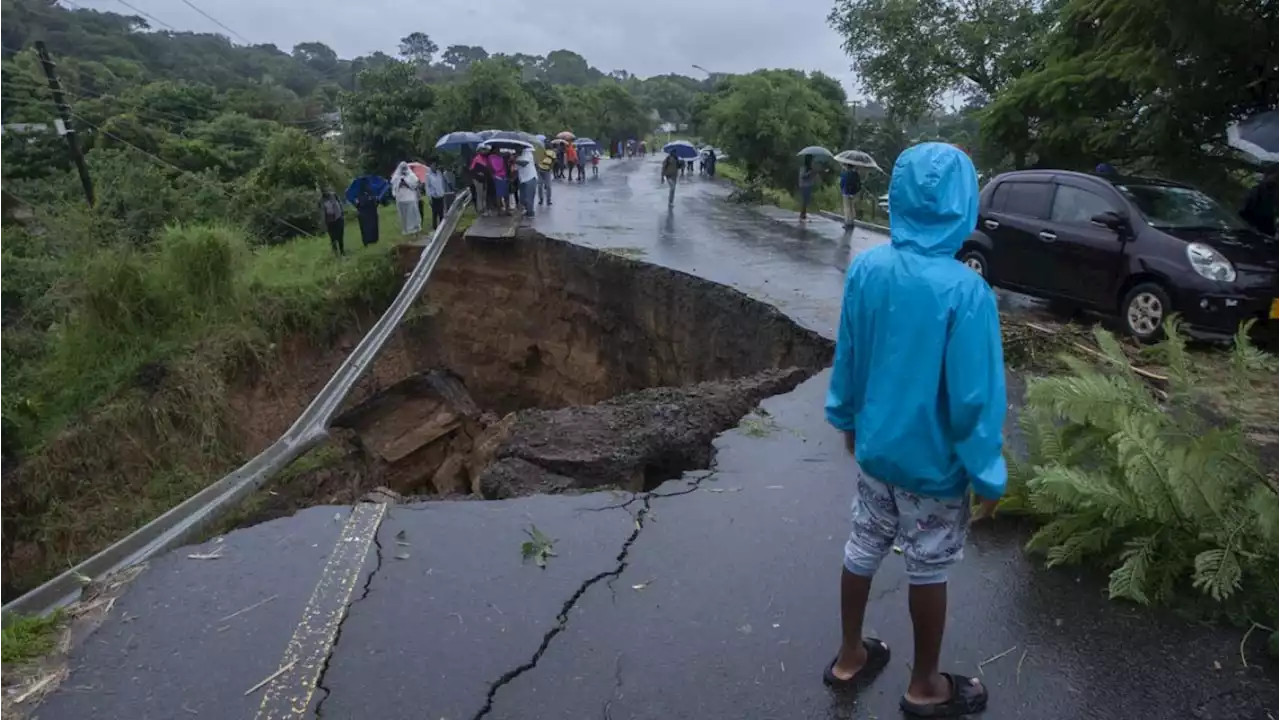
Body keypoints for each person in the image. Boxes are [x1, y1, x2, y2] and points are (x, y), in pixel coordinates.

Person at [823, 142, 1003, 718]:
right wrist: (987, 472)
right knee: (927, 563)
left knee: (863, 544)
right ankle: (925, 685)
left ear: (897, 194)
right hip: (935, 465)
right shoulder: (966, 290)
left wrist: (847, 419)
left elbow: (850, 354)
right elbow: (974, 397)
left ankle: (850, 655)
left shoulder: (868, 269)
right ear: (963, 201)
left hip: (877, 452)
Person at [1240, 167, 1279, 237]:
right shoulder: (1255, 191)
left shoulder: (1274, 192)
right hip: (1249, 226)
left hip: (1264, 229)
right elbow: (1244, 211)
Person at [391, 162, 422, 235]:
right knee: (403, 215)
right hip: (401, 199)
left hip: (410, 198)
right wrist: (400, 184)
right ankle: (405, 229)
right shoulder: (396, 177)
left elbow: (415, 185)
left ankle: (414, 228)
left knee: (412, 214)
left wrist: (407, 184)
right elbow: (394, 188)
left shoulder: (411, 176)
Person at [354, 177, 380, 247]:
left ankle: (373, 240)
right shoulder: (359, 194)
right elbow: (357, 205)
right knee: (365, 228)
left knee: (372, 227)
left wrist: (375, 200)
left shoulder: (371, 192)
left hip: (371, 212)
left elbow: (376, 202)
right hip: (364, 213)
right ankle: (366, 241)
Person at [319, 190, 345, 256]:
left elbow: (340, 203)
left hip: (338, 218)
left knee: (340, 236)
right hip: (329, 221)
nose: (325, 192)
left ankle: (342, 251)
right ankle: (335, 253)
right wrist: (323, 223)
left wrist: (342, 213)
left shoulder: (334, 195)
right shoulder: (321, 200)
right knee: (333, 238)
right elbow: (322, 212)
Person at [516, 146, 538, 218]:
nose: (516, 149)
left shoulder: (527, 152)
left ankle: (530, 213)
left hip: (530, 177)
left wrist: (514, 160)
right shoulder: (516, 155)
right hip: (522, 179)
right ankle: (527, 210)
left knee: (529, 197)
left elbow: (524, 163)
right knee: (522, 198)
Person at [425, 162, 448, 230]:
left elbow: (442, 183)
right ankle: (434, 226)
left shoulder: (439, 173)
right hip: (433, 195)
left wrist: (443, 191)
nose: (434, 167)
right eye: (433, 165)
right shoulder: (428, 175)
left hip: (440, 194)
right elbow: (427, 187)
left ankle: (441, 225)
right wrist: (429, 196)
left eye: (435, 165)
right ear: (430, 166)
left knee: (441, 211)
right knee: (435, 212)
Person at [469, 148, 491, 215]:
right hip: (477, 179)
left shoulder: (485, 158)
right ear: (478, 151)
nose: (484, 151)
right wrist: (477, 173)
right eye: (483, 150)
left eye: (485, 150)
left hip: (484, 178)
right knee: (479, 194)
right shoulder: (476, 158)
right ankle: (480, 209)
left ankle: (484, 208)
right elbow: (471, 169)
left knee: (484, 194)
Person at [839, 164, 862, 228]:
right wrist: (857, 191)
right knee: (852, 208)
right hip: (853, 193)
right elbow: (859, 184)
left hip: (846, 192)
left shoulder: (844, 174)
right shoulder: (856, 174)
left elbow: (841, 183)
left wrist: (842, 190)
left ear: (847, 167)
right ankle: (852, 222)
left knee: (847, 208)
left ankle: (847, 223)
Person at [488, 147, 509, 215]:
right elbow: (496, 168)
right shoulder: (493, 157)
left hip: (501, 177)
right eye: (497, 150)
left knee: (502, 194)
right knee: (501, 195)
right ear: (494, 150)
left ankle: (503, 210)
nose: (499, 151)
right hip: (499, 177)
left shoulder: (494, 157)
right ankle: (501, 211)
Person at [798, 155, 817, 221]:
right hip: (804, 185)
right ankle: (802, 213)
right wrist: (810, 172)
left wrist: (814, 173)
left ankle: (804, 213)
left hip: (808, 185)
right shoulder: (803, 168)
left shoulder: (810, 168)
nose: (813, 162)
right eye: (812, 160)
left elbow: (812, 177)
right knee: (804, 200)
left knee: (807, 200)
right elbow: (803, 176)